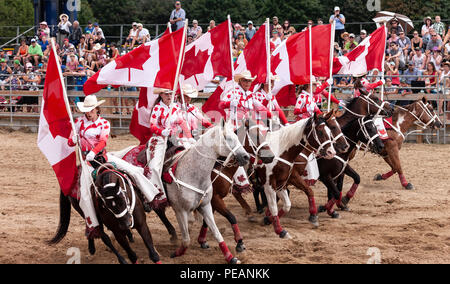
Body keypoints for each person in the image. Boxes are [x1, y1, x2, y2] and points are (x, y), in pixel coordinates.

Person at [67, 95, 161, 239]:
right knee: (85, 195)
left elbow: (103, 141)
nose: (88, 113)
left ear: (96, 109)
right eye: (86, 110)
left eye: (91, 110)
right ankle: (93, 225)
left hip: (102, 156)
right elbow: (70, 142)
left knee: (134, 170)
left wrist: (93, 152)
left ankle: (150, 197)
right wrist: (73, 140)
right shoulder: (78, 123)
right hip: (86, 162)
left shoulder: (104, 123)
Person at [148, 88, 189, 198]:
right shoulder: (157, 108)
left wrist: (189, 137)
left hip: (176, 138)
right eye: (166, 94)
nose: (169, 96)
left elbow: (182, 123)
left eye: (171, 93)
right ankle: (156, 192)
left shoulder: (175, 107)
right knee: (154, 167)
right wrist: (162, 131)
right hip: (161, 139)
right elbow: (152, 125)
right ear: (161, 95)